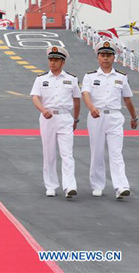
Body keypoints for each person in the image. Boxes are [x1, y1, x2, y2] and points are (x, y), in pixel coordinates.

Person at [81, 40, 137, 199]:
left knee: (116, 152)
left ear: (114, 58)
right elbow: (85, 94)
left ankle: (121, 186)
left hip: (115, 117)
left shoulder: (121, 77)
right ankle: (97, 185)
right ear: (98, 57)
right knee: (97, 152)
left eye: (109, 55)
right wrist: (91, 108)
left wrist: (134, 117)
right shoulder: (90, 77)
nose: (106, 58)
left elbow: (127, 99)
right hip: (96, 116)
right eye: (103, 55)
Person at [30, 46, 80, 198]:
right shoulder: (41, 79)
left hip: (65, 117)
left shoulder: (71, 79)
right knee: (49, 153)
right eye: (50, 59)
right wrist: (43, 110)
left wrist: (76, 118)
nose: (52, 63)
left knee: (67, 154)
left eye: (56, 60)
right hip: (47, 118)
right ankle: (51, 185)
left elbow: (77, 100)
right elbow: (35, 97)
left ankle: (69, 186)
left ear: (62, 62)